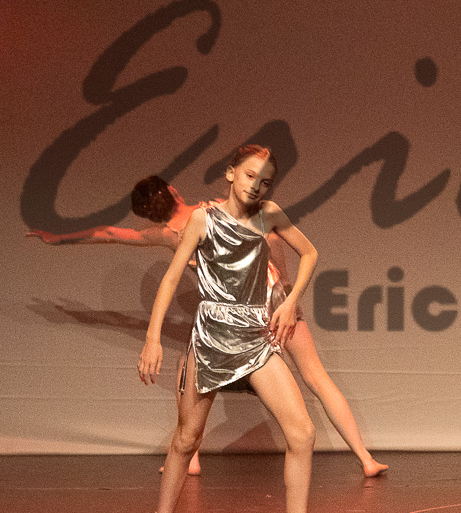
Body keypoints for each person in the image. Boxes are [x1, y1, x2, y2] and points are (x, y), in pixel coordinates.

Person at [28, 176, 387, 478]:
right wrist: (284, 285)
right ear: (174, 192)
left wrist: (57, 237)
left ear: (149, 212)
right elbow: (273, 238)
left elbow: (109, 232)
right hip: (270, 298)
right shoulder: (216, 210)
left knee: (189, 375)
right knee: (316, 377)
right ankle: (365, 459)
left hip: (234, 315)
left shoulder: (169, 234)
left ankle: (190, 455)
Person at [135, 145, 343, 513]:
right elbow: (172, 278)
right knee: (186, 439)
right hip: (212, 335)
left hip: (254, 333)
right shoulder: (202, 219)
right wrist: (152, 338)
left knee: (302, 433)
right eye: (250, 176)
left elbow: (310, 253)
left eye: (265, 181)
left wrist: (290, 301)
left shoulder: (269, 214)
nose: (256, 186)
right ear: (230, 173)